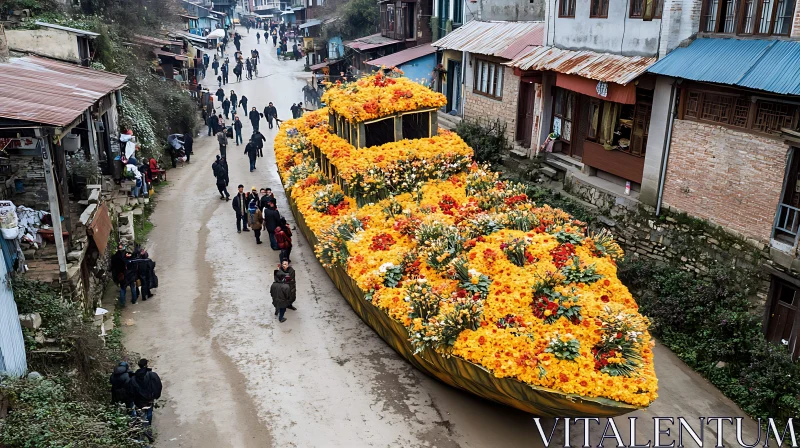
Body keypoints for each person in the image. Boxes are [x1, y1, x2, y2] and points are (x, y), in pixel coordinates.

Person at [126, 359, 162, 428]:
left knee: (141, 413)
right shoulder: (152, 375)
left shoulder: (133, 378)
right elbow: (158, 385)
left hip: (138, 400)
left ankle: (143, 427)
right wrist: (155, 395)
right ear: (146, 365)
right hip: (149, 398)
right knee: (149, 411)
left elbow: (130, 390)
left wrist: (134, 398)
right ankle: (148, 426)